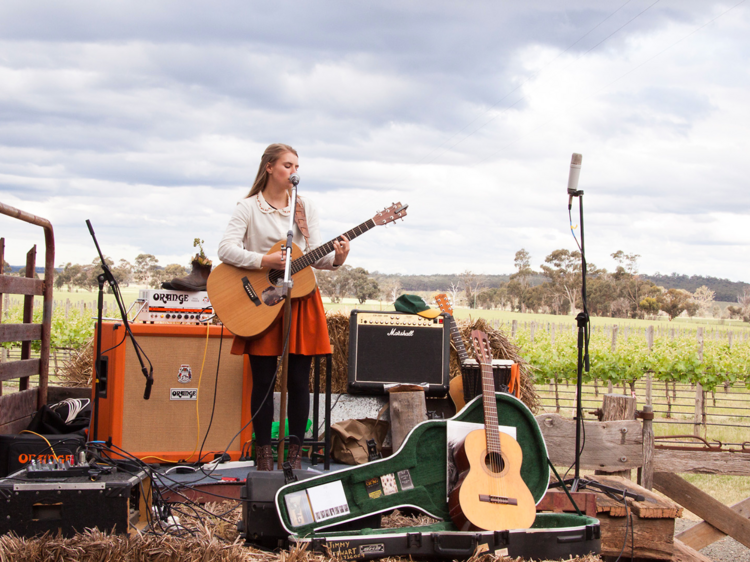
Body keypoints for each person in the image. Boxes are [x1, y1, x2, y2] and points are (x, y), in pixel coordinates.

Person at [217, 143, 350, 470]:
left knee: (298, 381)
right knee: (262, 379)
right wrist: (265, 259)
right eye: (287, 165)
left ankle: (294, 454)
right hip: (260, 300)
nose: (294, 171)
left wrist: (338, 260)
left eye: (296, 166)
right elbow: (225, 250)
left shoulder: (305, 208)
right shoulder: (248, 208)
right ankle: (263, 453)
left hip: (301, 300)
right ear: (269, 168)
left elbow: (316, 255)